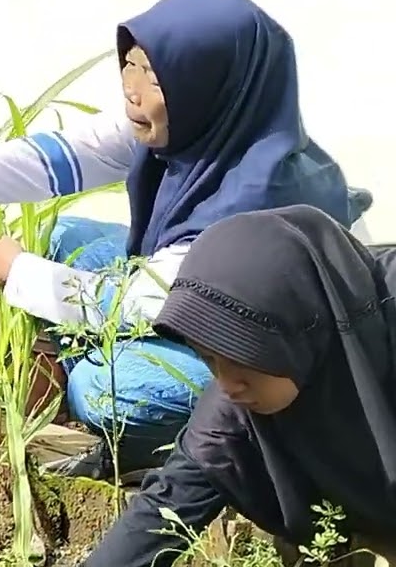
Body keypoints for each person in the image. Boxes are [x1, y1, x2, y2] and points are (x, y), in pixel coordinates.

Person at [0, 0, 360, 479]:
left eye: (155, 75)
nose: (132, 90)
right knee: (64, 234)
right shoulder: (201, 126)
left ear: (212, 87)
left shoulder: (257, 198)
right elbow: (54, 158)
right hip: (179, 291)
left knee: (106, 389)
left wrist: (17, 272)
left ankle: (173, 436)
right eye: (131, 65)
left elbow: (157, 302)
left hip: (250, 354)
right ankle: (66, 349)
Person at [84, 205, 396, 567]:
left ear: (296, 328)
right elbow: (159, 513)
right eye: (210, 360)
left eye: (241, 356)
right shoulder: (230, 418)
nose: (228, 384)